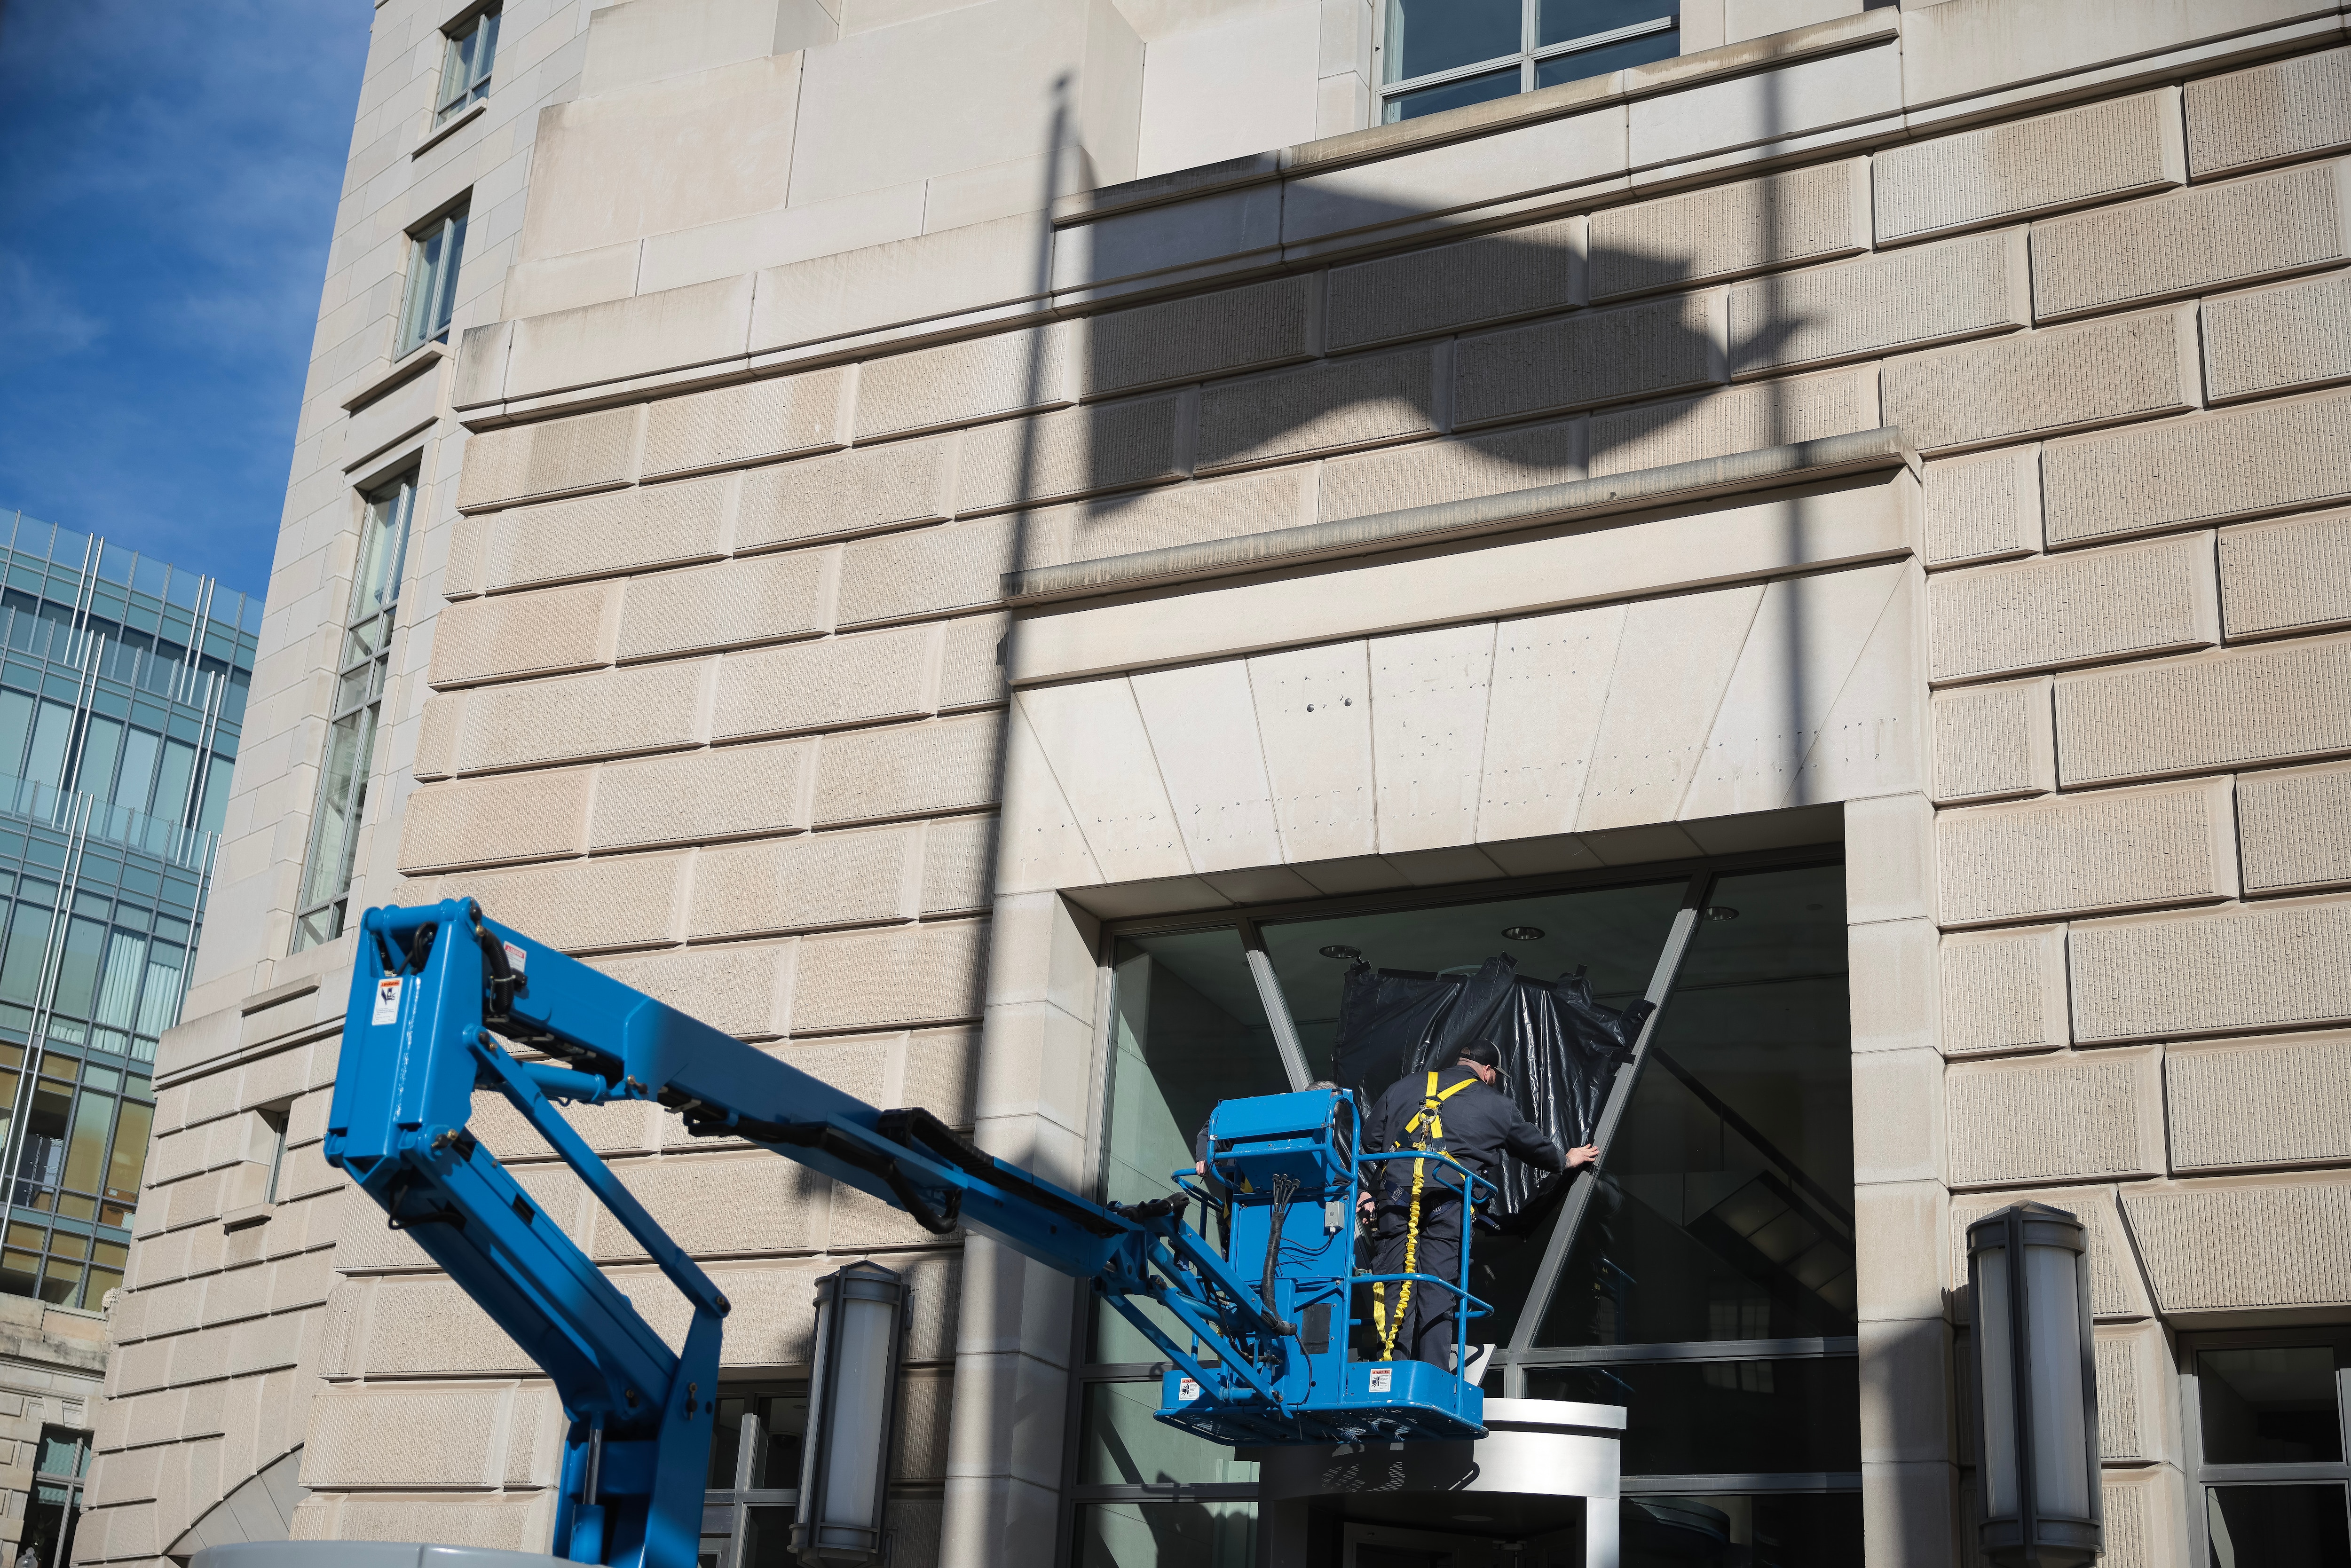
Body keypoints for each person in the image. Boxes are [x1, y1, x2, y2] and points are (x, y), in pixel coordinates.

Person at [1359, 1040, 1598, 1370]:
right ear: (1488, 1071)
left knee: (1395, 1287)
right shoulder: (1495, 1104)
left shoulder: (1403, 1087)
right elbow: (1532, 1146)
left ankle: (1387, 1376)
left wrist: (1373, 1188)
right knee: (1437, 1291)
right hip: (1449, 1205)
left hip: (1397, 1200)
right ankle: (1432, 1379)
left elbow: (1372, 1142)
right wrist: (1565, 1159)